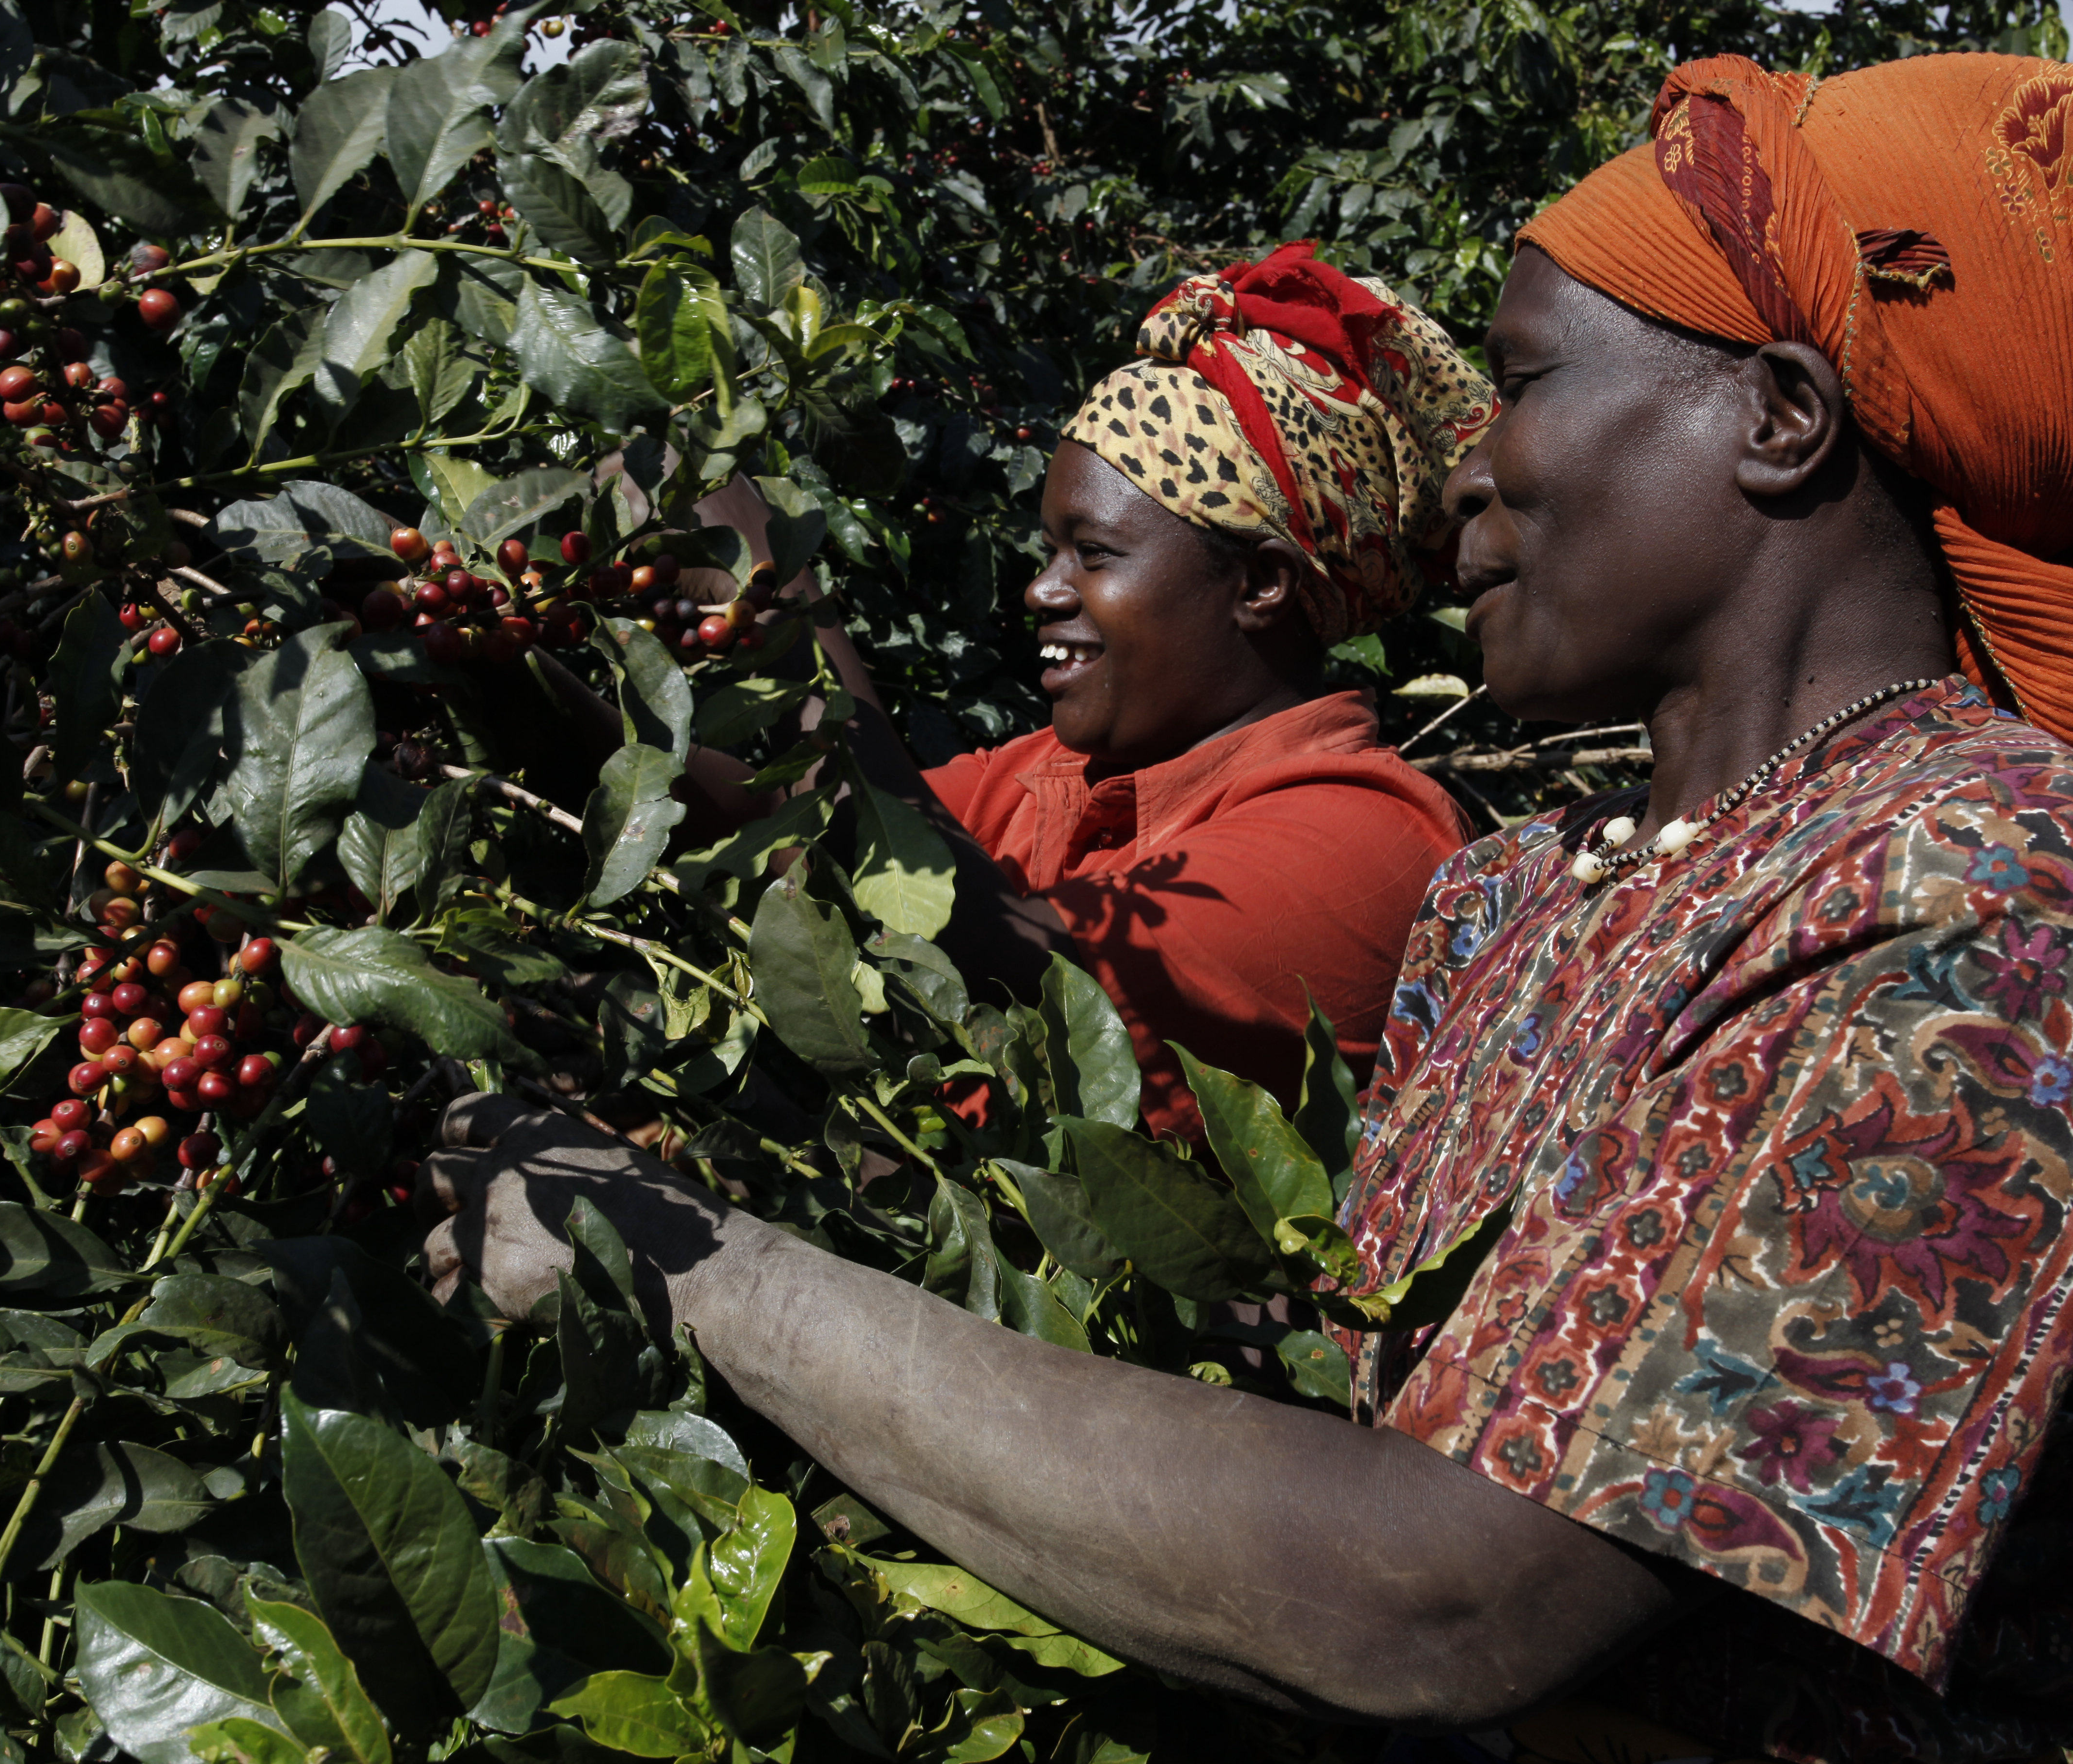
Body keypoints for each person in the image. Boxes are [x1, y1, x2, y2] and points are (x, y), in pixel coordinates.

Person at [425, 52, 2073, 1764]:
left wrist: (692, 1264)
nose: (1461, 472)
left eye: (1524, 382)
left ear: (1778, 419)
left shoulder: (1999, 892)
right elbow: (1314, 1376)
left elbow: (1458, 1593)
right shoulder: (1520, 890)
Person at [543, 246, 1485, 1133]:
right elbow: (776, 831)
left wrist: (787, 608)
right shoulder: (1060, 770)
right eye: (1048, 550)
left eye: (1097, 554)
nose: (1042, 590)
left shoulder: (1368, 840)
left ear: (1261, 585)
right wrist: (501, 669)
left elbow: (1016, 982)